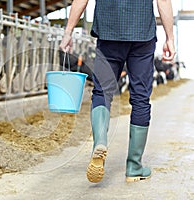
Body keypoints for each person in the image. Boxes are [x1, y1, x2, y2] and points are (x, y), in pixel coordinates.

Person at [60, 0, 175, 183]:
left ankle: (100, 142)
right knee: (140, 99)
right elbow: (163, 1)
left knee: (102, 92)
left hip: (108, 35)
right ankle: (134, 166)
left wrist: (68, 33)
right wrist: (170, 37)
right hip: (142, 36)